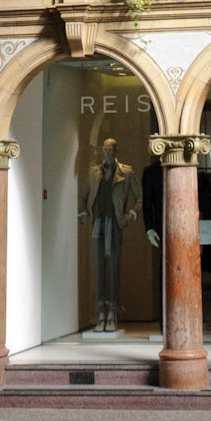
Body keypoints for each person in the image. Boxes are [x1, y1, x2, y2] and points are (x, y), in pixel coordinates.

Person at [78, 137, 141, 331]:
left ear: (116, 151)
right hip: (98, 223)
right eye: (104, 150)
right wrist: (83, 213)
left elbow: (139, 197)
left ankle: (112, 312)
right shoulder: (94, 173)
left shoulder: (126, 173)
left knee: (114, 268)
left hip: (115, 224)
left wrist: (130, 215)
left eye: (110, 150)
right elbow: (83, 195)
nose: (107, 153)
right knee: (99, 268)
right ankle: (100, 314)